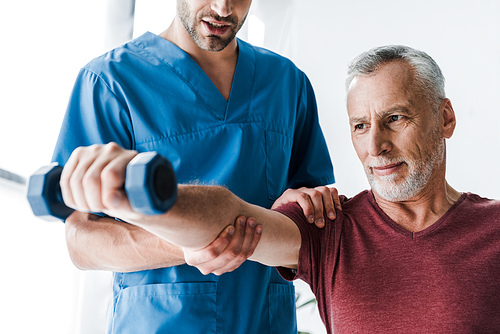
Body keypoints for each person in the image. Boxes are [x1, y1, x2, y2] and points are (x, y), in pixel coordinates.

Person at [58, 45, 500, 333]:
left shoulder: (493, 230)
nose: (375, 146)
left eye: (396, 119)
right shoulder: (336, 233)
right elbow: (229, 214)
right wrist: (134, 198)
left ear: (445, 118)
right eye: (360, 126)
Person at [53, 0, 337, 333]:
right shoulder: (110, 81)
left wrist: (302, 205)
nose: (223, 8)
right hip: (159, 323)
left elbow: (316, 227)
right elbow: (81, 241)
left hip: (264, 322)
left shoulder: (287, 84)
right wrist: (189, 244)